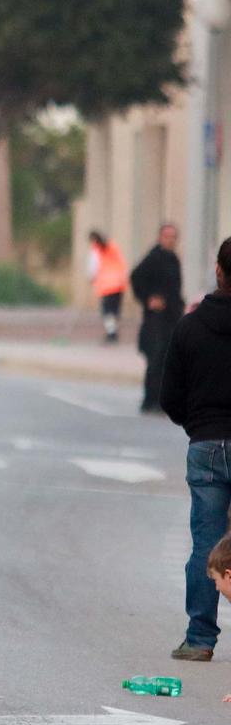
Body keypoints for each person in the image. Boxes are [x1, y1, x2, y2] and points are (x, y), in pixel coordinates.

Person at [159, 235, 231, 663]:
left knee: (207, 542)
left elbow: (170, 396)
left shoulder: (188, 327)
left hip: (204, 444)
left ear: (218, 272)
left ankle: (200, 639)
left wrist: (198, 426)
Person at [131, 224, 183, 414]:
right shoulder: (154, 258)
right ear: (160, 237)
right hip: (156, 320)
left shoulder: (173, 259)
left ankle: (160, 400)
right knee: (156, 358)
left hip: (171, 317)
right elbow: (135, 277)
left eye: (173, 237)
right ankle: (150, 400)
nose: (170, 240)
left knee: (167, 360)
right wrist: (149, 298)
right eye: (166, 236)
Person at [87, 229, 128, 343]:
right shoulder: (113, 246)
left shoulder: (96, 250)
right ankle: (113, 331)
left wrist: (91, 278)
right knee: (115, 310)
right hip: (119, 284)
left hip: (106, 285)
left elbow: (93, 267)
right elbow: (122, 262)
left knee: (107, 311)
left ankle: (111, 333)